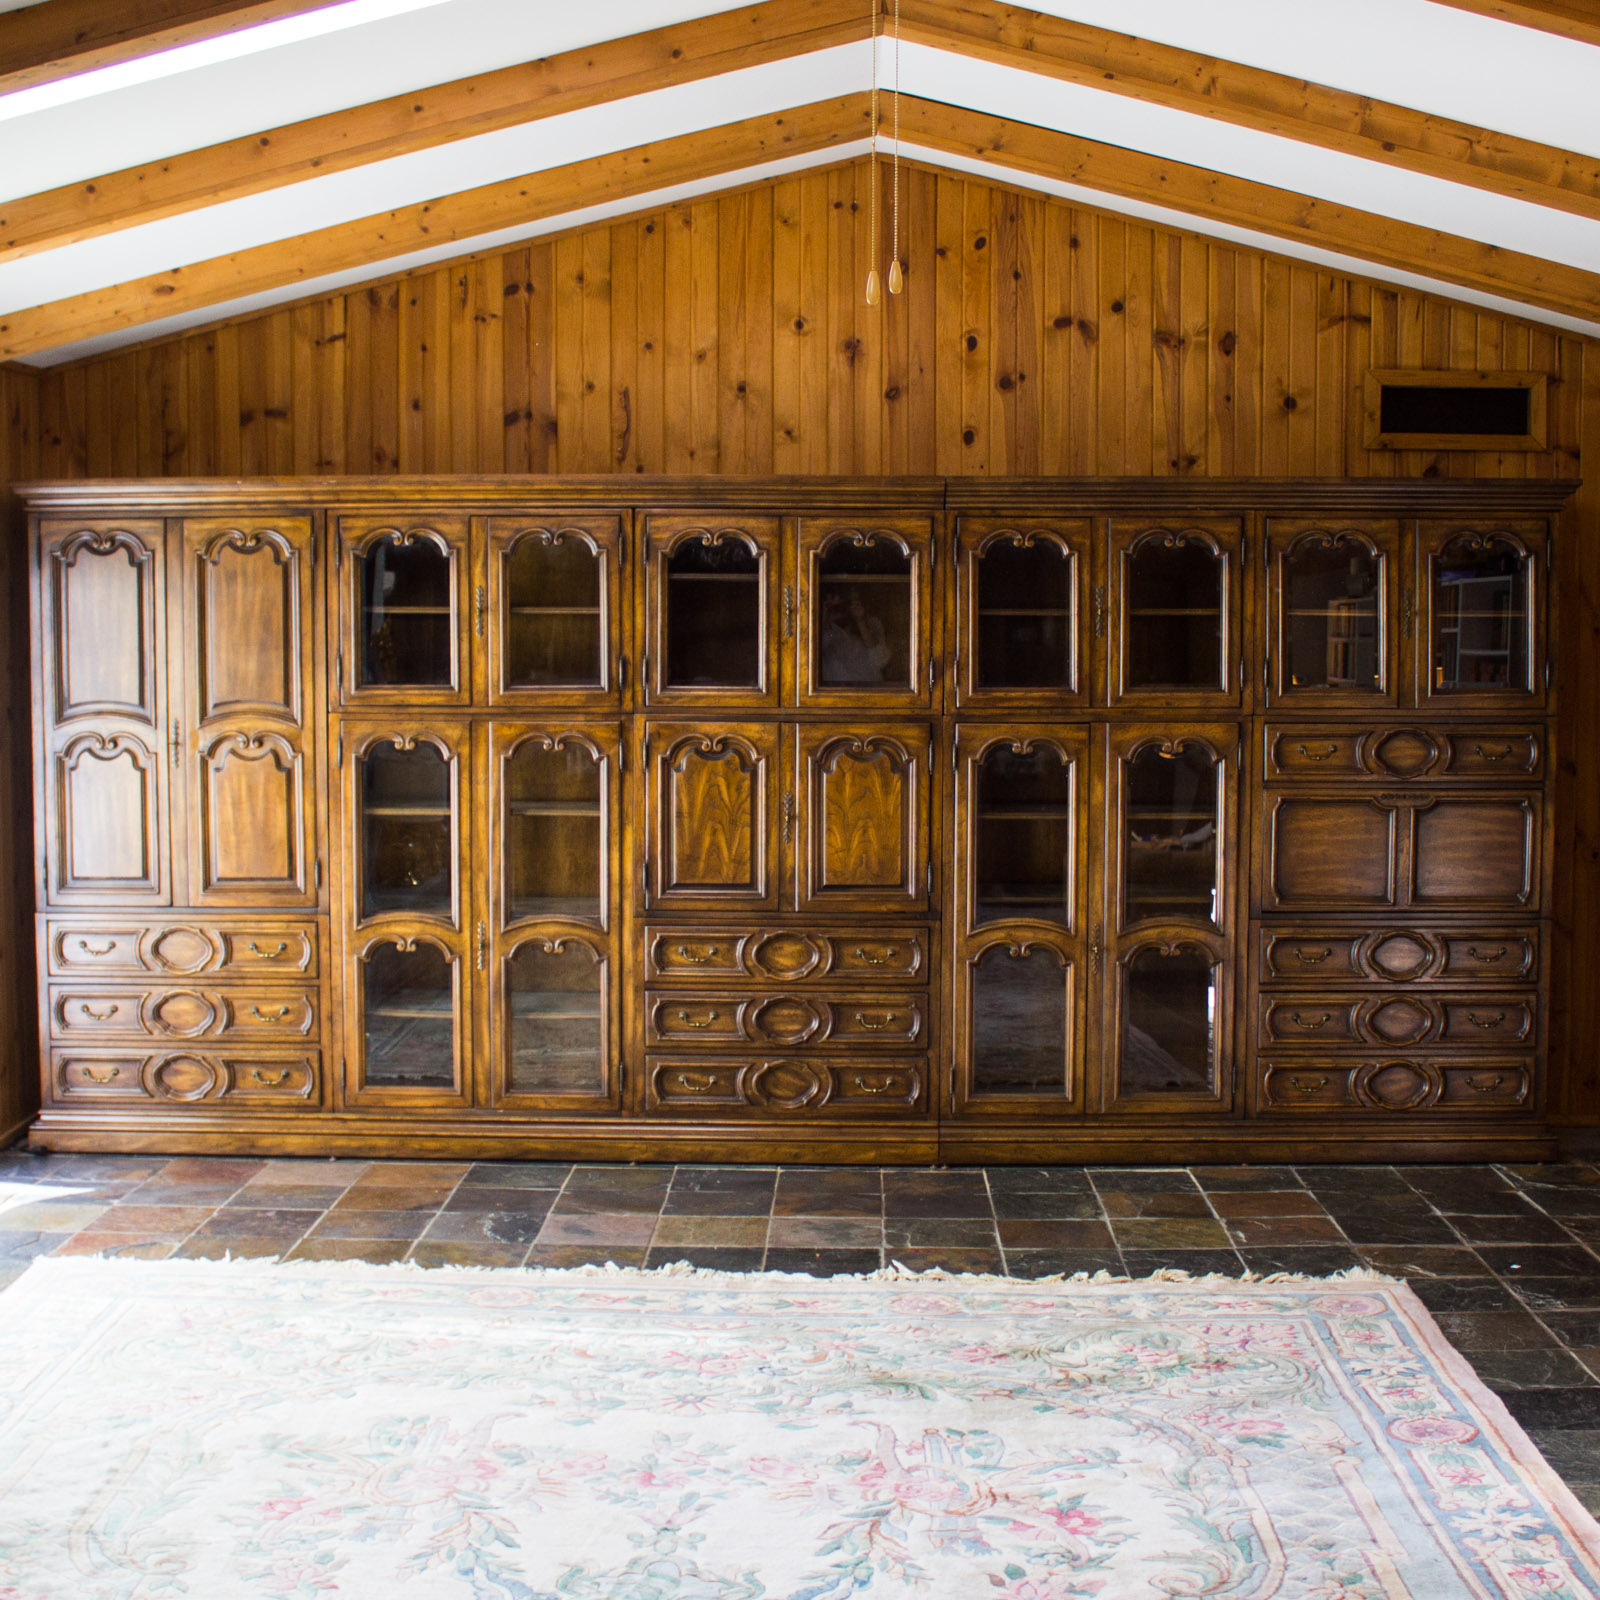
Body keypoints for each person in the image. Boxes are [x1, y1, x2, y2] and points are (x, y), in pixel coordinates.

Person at [820, 586, 891, 684]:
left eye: (854, 602)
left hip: (870, 690)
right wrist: (826, 618)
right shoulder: (824, 626)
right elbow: (812, 653)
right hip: (835, 693)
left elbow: (881, 660)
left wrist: (860, 622)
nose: (849, 607)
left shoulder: (872, 623)